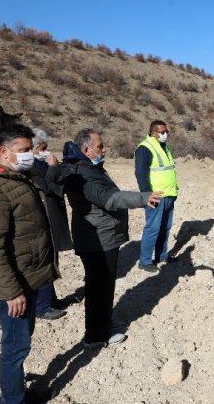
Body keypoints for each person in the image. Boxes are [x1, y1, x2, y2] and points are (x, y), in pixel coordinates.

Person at [0, 124, 58, 404]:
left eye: (31, 149)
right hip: (16, 284)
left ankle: (17, 392)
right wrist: (10, 292)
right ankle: (13, 400)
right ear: (5, 152)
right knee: (15, 347)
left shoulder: (17, 178)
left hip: (28, 277)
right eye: (24, 150)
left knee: (21, 342)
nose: (30, 155)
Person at [52, 127, 161, 349]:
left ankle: (101, 325)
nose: (105, 149)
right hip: (98, 240)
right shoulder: (85, 174)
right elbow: (110, 199)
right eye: (100, 146)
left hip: (96, 237)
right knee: (100, 287)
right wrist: (143, 198)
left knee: (99, 285)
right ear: (86, 149)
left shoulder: (83, 168)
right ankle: (96, 335)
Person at [30, 128, 73, 320]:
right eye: (42, 147)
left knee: (53, 257)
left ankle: (51, 300)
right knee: (46, 258)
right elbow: (47, 187)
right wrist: (53, 167)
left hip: (52, 213)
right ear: (33, 148)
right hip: (43, 217)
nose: (46, 151)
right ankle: (42, 305)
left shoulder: (40, 163)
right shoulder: (31, 166)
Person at [134, 120, 178, 274]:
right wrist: (147, 195)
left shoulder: (164, 147)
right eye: (162, 132)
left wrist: (174, 191)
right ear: (153, 133)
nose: (166, 134)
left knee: (165, 228)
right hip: (155, 197)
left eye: (167, 132)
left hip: (169, 195)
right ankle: (145, 261)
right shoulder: (145, 148)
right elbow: (141, 173)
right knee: (152, 228)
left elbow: (168, 170)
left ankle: (161, 255)